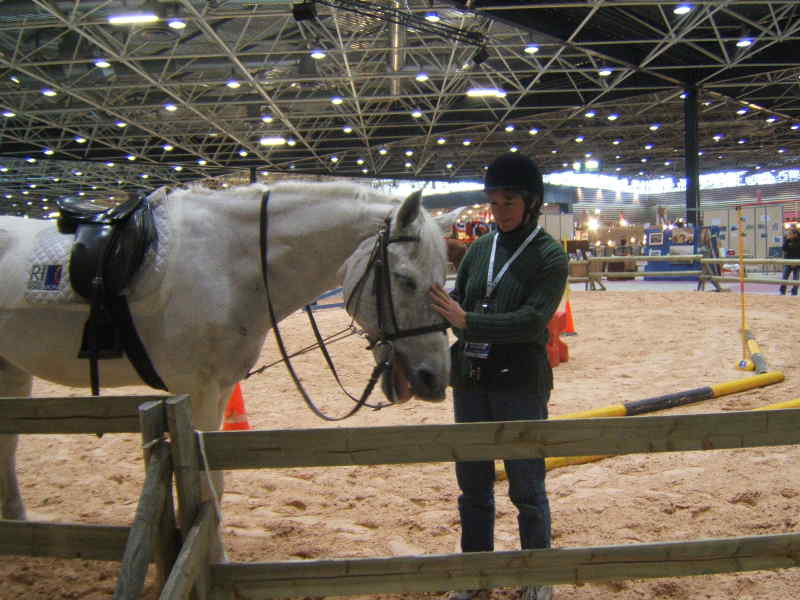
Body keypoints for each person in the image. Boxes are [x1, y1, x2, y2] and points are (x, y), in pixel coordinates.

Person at [429, 153, 568, 600]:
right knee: (472, 486)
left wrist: (468, 321)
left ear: (531, 203)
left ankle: (537, 574)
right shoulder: (480, 249)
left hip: (521, 383)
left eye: (509, 201)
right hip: (471, 380)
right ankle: (477, 574)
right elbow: (461, 299)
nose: (500, 210)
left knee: (527, 485)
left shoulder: (550, 256)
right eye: (494, 201)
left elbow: (531, 321)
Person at [779, 226, 800, 296]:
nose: (789, 235)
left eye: (790, 234)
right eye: (789, 233)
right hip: (788, 262)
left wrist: (796, 263)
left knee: (796, 279)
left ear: (795, 234)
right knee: (784, 277)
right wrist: (787, 240)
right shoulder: (787, 240)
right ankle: (782, 292)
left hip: (797, 263)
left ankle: (794, 293)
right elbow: (784, 249)